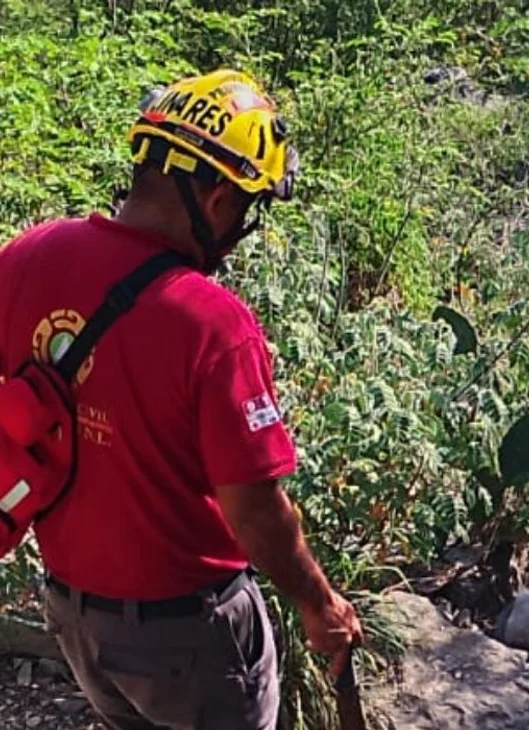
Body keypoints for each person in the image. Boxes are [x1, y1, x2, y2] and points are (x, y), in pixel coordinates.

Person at [0, 70, 362, 730]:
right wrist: (319, 602)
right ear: (219, 199)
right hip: (190, 637)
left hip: (76, 619)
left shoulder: (29, 256)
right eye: (248, 208)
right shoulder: (214, 325)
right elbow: (253, 510)